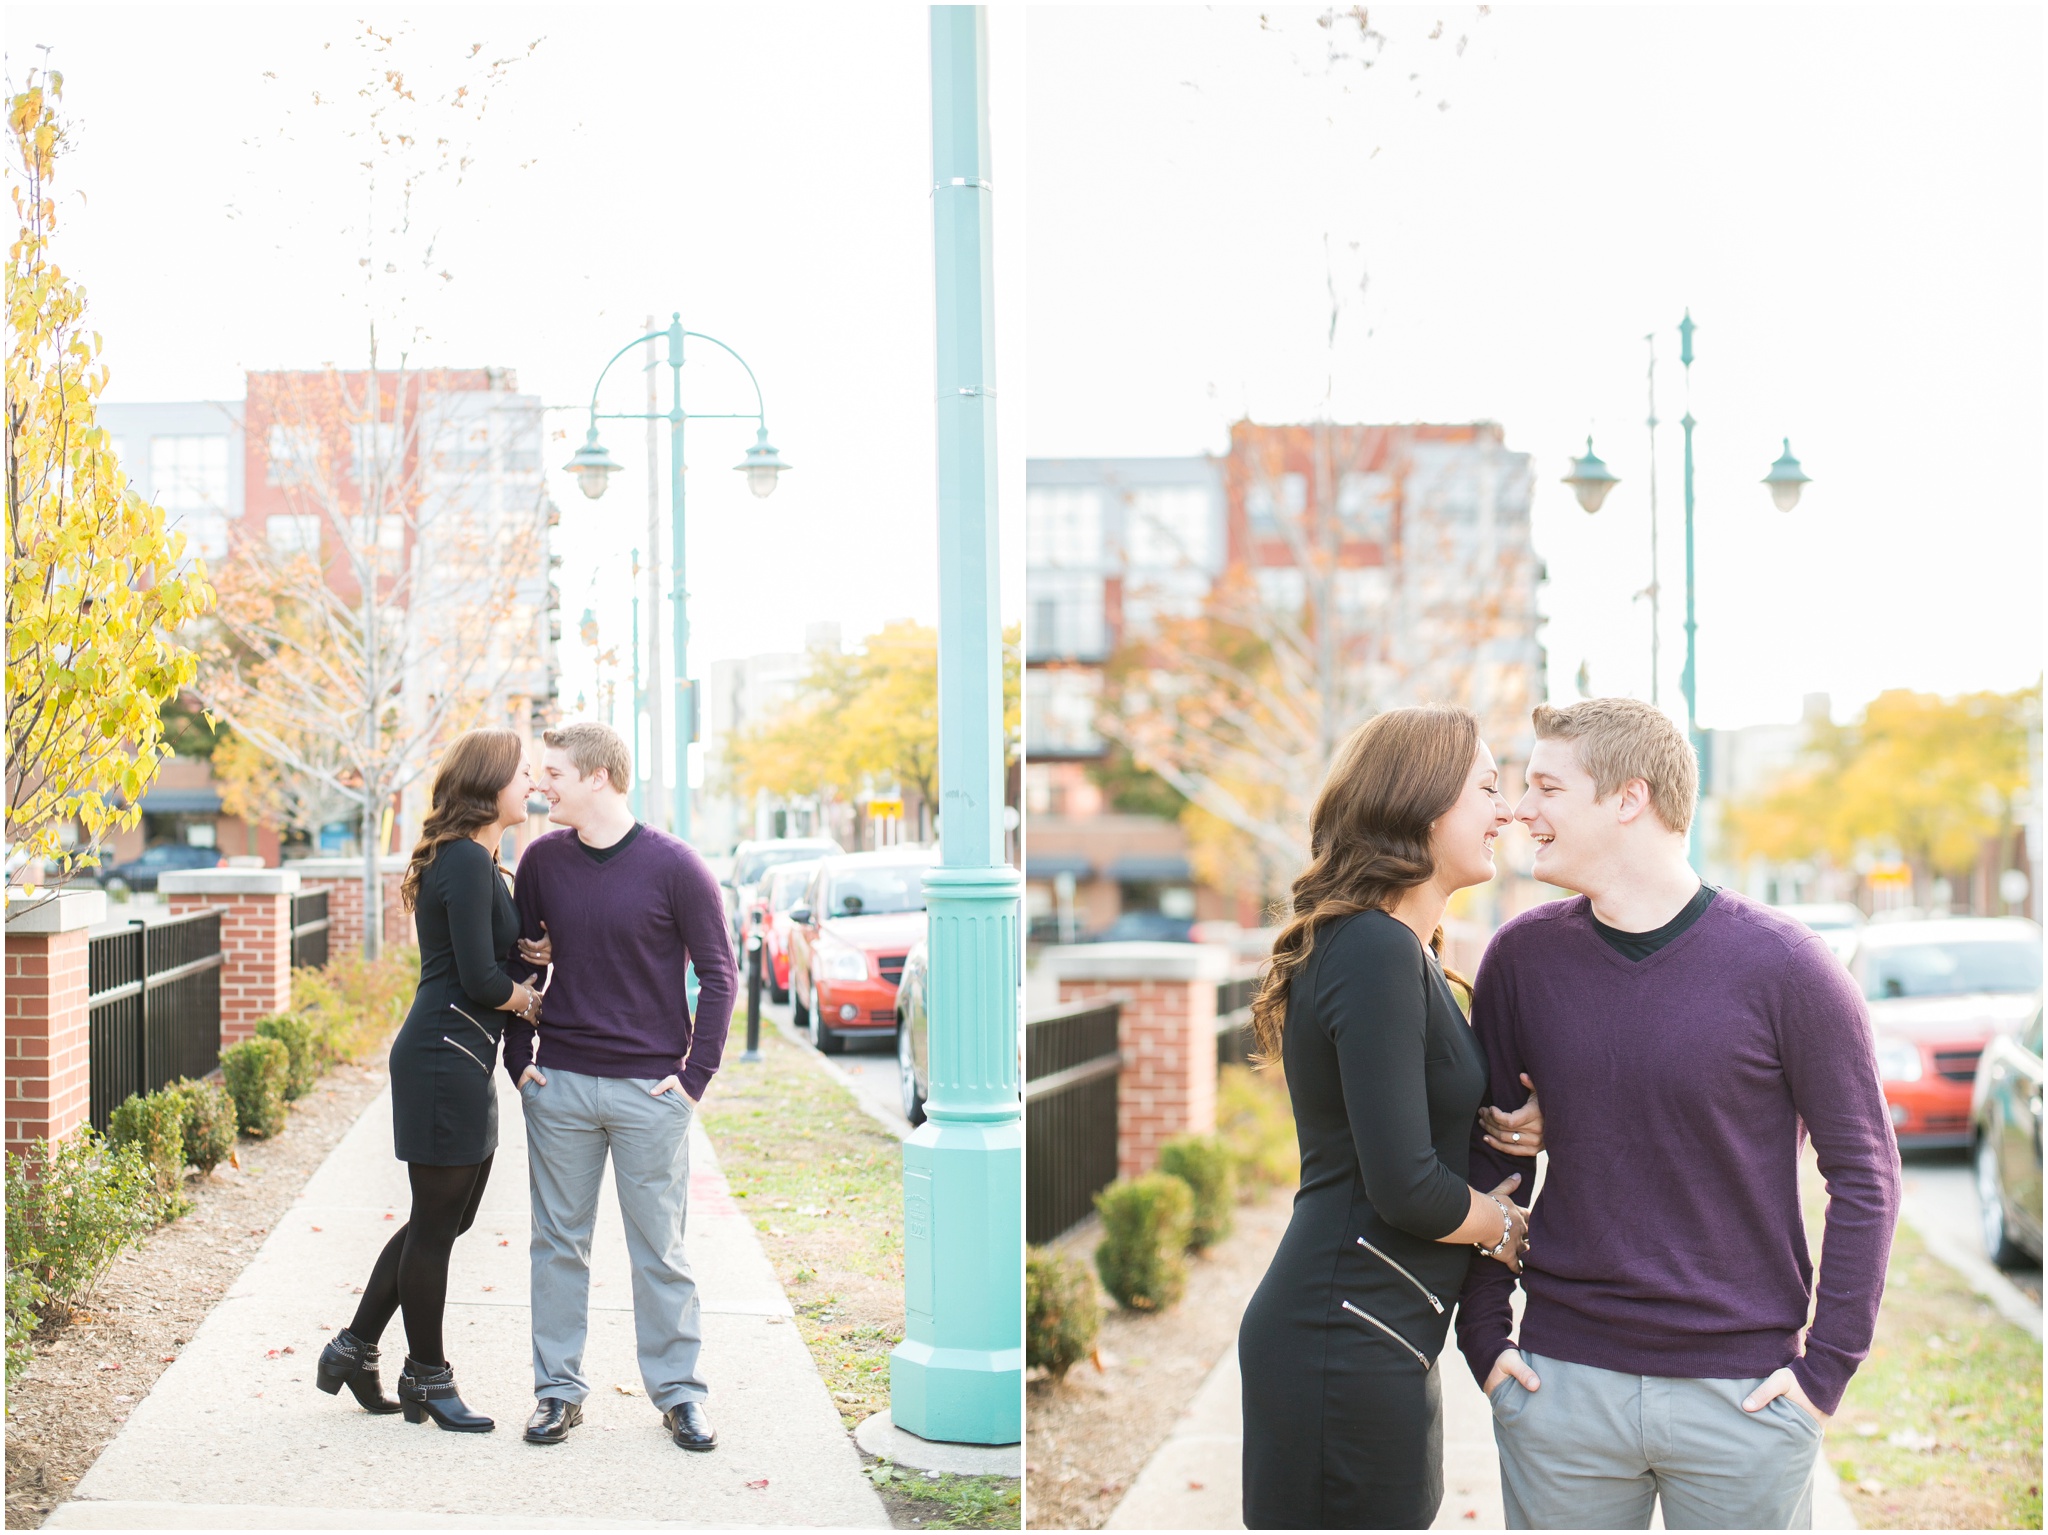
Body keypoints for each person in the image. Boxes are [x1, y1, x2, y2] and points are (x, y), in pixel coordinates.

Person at [1456, 698, 1902, 1530]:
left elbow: (1867, 1174)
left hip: (1740, 1398)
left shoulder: (1788, 967)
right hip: (1561, 1387)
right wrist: (1486, 1337)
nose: (1521, 810)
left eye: (1547, 786)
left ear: (1629, 798)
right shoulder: (1523, 957)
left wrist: (1823, 1376)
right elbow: (1492, 1157)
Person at [1239, 705, 1541, 1530]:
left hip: (1378, 1334)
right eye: (1487, 786)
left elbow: (1423, 1120)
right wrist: (1507, 1226)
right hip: (1340, 1342)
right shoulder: (1372, 948)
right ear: (1421, 802)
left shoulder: (1400, 950)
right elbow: (1406, 1183)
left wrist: (1524, 1120)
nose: (1508, 809)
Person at [503, 721, 737, 1452]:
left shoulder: (675, 865)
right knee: (557, 1246)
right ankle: (556, 1392)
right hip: (562, 1082)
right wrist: (520, 1058)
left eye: (553, 773)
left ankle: (679, 1395)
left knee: (659, 1251)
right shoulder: (542, 860)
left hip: (650, 1092)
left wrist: (693, 1079)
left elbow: (720, 974)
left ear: (598, 776)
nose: (541, 784)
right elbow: (524, 961)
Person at [317, 728, 543, 1432]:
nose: (531, 782)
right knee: (438, 1222)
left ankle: (354, 1347)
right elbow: (478, 978)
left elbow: (484, 955)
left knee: (445, 1217)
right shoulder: (468, 864)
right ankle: (427, 1376)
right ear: (488, 785)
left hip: (458, 1054)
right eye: (522, 773)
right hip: (445, 1056)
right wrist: (532, 996)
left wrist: (529, 950)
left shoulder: (478, 861)